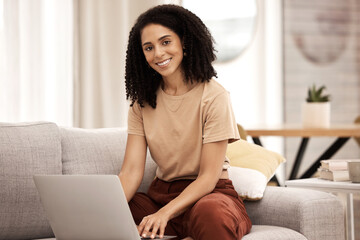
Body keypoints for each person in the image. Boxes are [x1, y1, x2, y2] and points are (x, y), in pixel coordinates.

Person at [118, 4, 252, 240]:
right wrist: (100, 208)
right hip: (161, 196)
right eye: (148, 47)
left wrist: (165, 214)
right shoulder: (141, 102)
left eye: (166, 42)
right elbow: (130, 172)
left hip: (209, 196)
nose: (158, 53)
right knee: (119, 209)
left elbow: (208, 177)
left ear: (185, 42)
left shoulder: (214, 96)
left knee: (211, 213)